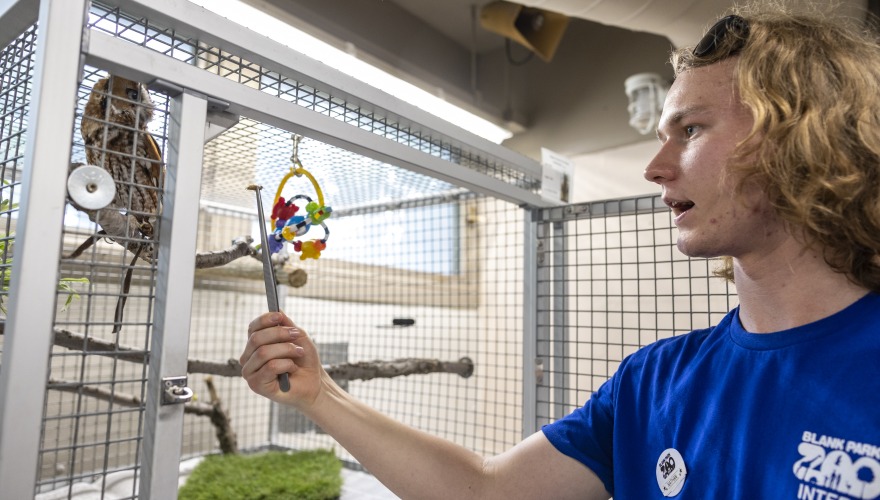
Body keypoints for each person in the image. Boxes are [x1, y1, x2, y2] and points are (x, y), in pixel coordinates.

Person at [240, 3, 880, 498]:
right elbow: (488, 490)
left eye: (690, 130)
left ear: (801, 135)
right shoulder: (653, 382)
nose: (655, 167)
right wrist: (319, 396)